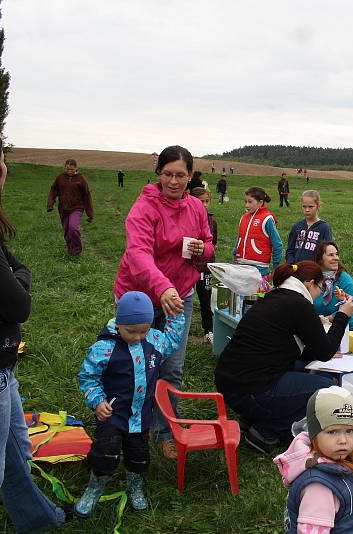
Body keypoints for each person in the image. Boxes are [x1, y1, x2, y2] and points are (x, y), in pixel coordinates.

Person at [0, 124, 67, 532]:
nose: (6, 166)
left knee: (17, 454)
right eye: (1, 158)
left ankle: (37, 519)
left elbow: (20, 272)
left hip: (0, 370)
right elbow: (20, 305)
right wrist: (12, 289)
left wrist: (14, 282)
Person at [114, 145, 215, 460]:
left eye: (181, 175)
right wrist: (161, 288)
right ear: (158, 174)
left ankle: (163, 431)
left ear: (190, 176)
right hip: (140, 298)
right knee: (133, 366)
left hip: (180, 295)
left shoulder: (196, 208)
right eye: (168, 174)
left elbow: (208, 243)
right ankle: (126, 429)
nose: (174, 181)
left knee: (171, 367)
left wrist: (204, 251)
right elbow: (138, 254)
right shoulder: (144, 208)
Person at [214, 261, 353, 453]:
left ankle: (251, 418)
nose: (319, 294)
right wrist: (343, 316)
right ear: (310, 284)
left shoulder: (273, 297)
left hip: (230, 383)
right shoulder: (299, 304)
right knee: (326, 389)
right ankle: (266, 431)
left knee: (300, 367)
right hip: (253, 388)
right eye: (320, 288)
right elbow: (325, 352)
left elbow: (301, 352)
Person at [75, 292, 186, 517]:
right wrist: (97, 400)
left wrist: (176, 314)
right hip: (112, 415)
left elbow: (173, 339)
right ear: (119, 323)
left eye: (143, 331)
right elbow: (88, 377)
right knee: (106, 452)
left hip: (140, 416)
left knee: (139, 456)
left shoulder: (154, 341)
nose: (137, 337)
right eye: (131, 331)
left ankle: (135, 486)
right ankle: (94, 487)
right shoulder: (104, 348)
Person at [274, 386, 353, 534]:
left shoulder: (346, 459)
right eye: (332, 432)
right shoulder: (319, 487)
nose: (343, 440)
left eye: (349, 431)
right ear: (314, 435)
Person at [46, 158, 94, 256]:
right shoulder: (60, 178)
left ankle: (77, 249)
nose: (69, 171)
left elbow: (87, 195)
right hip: (63, 208)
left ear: (76, 168)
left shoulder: (81, 179)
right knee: (67, 230)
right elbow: (53, 190)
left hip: (77, 207)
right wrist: (50, 204)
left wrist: (90, 213)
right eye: (67, 169)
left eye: (72, 169)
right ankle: (70, 250)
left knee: (73, 227)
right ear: (64, 168)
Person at [190, 187, 218, 344]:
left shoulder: (212, 222)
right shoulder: (184, 219)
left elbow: (212, 245)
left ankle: (209, 330)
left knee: (205, 299)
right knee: (183, 298)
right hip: (187, 268)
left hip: (206, 267)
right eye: (201, 201)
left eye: (207, 201)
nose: (205, 205)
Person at [234, 187, 283, 276]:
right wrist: (235, 254)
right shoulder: (243, 217)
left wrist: (275, 266)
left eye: (250, 202)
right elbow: (239, 238)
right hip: (241, 266)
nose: (246, 205)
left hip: (259, 270)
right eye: (245, 202)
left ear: (260, 203)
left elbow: (277, 244)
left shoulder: (267, 219)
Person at [313, 241, 353, 328]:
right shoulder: (312, 278)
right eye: (331, 255)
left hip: (342, 327)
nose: (336, 258)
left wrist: (324, 321)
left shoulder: (345, 280)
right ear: (320, 259)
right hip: (316, 327)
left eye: (336, 254)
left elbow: (347, 307)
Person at [286, 190, 332, 264]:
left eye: (310, 207)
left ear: (318, 206)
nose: (307, 210)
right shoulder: (297, 226)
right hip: (296, 270)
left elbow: (328, 252)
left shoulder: (324, 227)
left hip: (314, 271)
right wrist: (291, 264)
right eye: (304, 206)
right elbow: (290, 250)